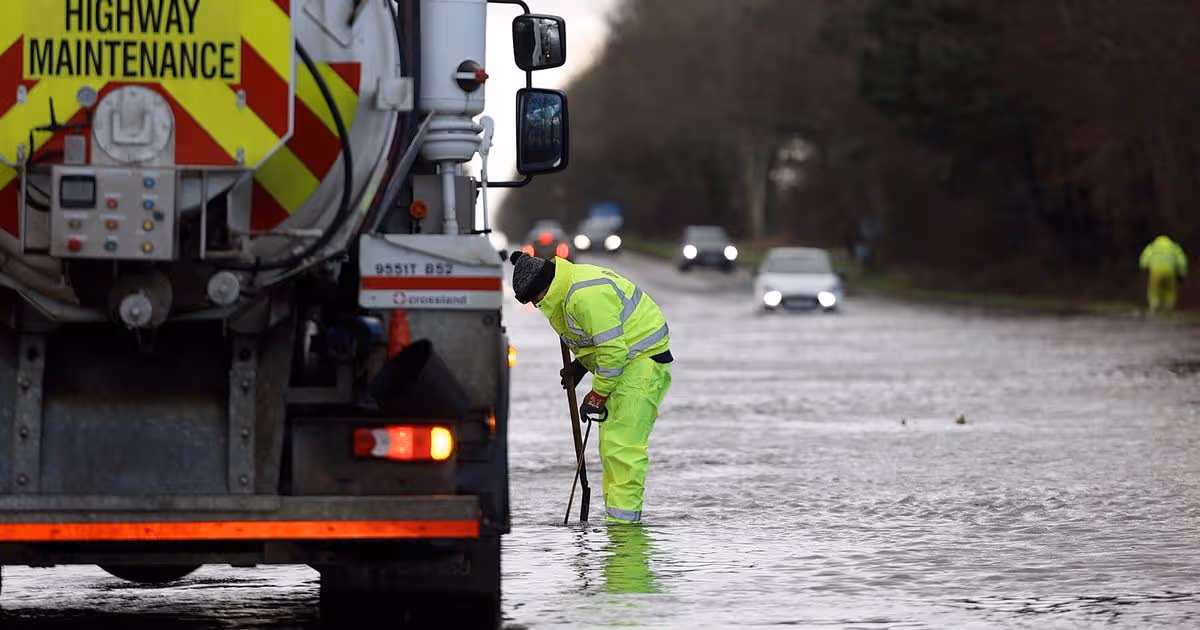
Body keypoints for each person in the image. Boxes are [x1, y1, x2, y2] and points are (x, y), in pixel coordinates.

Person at [509, 251, 672, 524]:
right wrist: (581, 366)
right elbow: (594, 338)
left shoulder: (583, 295)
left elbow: (612, 350)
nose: (536, 306)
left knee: (623, 450)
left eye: (535, 299)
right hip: (627, 362)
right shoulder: (563, 294)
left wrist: (597, 394)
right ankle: (617, 523)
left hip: (640, 364)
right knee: (611, 449)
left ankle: (625, 532)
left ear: (544, 288)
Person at [1139, 235, 1188, 316]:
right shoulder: (1174, 247)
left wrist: (1143, 267)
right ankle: (1168, 307)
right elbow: (1182, 260)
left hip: (1155, 270)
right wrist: (1182, 273)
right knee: (1170, 289)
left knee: (1154, 289)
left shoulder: (1153, 246)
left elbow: (1144, 258)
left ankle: (1154, 305)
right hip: (1170, 270)